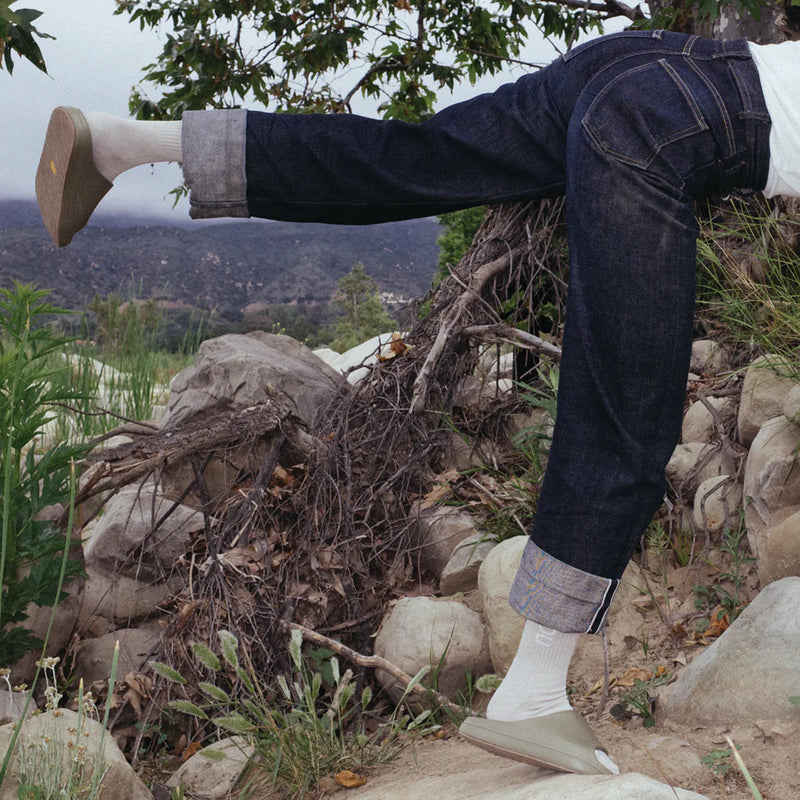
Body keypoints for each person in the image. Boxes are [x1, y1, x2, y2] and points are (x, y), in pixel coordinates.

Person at [35, 29, 800, 776]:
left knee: (409, 156)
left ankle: (120, 143)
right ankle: (533, 693)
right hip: (667, 120)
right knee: (628, 404)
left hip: (652, 63)